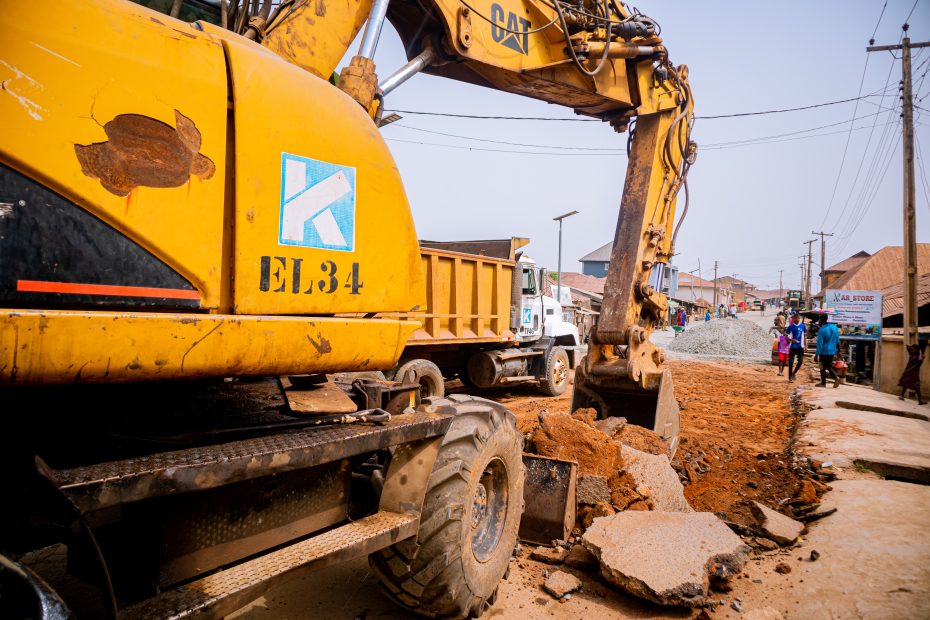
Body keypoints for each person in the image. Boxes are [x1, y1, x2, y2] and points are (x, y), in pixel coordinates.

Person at [813, 315, 840, 388]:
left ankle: (824, 382)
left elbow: (820, 343)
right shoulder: (835, 328)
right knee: (829, 365)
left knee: (822, 366)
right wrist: (838, 350)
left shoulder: (821, 330)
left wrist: (817, 354)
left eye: (819, 319)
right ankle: (835, 377)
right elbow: (837, 340)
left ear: (821, 320)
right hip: (832, 350)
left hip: (824, 351)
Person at [785, 313, 806, 383]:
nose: (797, 319)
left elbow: (805, 336)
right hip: (792, 347)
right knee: (791, 362)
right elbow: (786, 337)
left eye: (798, 318)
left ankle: (794, 373)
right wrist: (792, 340)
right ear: (793, 319)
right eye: (796, 318)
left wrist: (806, 346)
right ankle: (790, 377)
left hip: (800, 347)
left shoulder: (803, 326)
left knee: (800, 362)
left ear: (800, 319)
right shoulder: (790, 326)